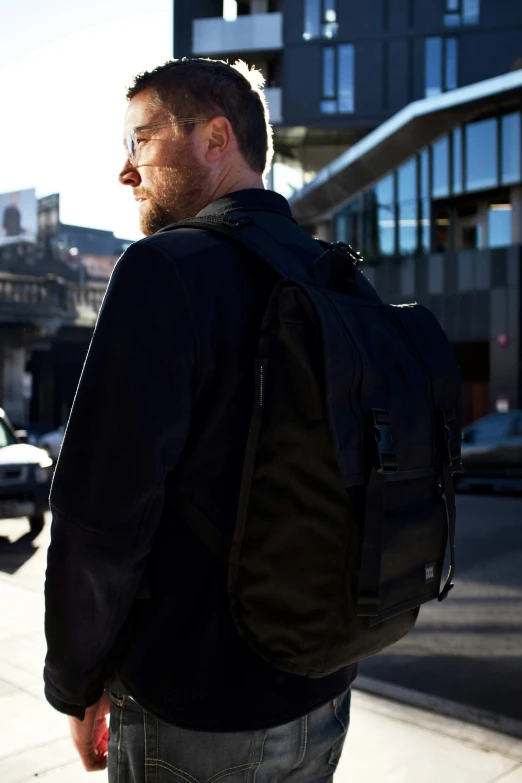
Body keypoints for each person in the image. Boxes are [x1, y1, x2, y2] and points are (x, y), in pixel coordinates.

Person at [44, 58, 356, 781]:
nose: (126, 172)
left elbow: (98, 524)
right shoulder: (332, 276)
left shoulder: (163, 270)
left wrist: (76, 682)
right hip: (324, 697)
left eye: (140, 140)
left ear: (217, 138)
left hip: (197, 711)